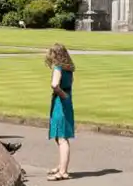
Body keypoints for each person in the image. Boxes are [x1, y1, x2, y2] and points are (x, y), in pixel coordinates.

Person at [45, 43, 76, 181]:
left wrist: (61, 94)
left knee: (62, 137)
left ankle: (63, 171)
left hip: (60, 102)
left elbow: (54, 84)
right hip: (67, 101)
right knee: (59, 135)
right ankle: (61, 165)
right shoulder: (69, 68)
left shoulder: (58, 67)